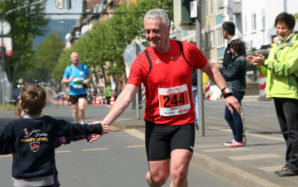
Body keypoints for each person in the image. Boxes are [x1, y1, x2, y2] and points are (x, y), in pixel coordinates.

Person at [90, 8, 240, 187]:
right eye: (147, 31)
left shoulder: (187, 50)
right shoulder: (142, 61)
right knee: (158, 178)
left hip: (183, 123)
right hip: (156, 126)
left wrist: (227, 93)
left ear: (168, 29)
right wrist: (103, 124)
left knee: (179, 171)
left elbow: (211, 69)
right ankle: (155, 178)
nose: (151, 35)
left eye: (156, 31)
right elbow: (127, 95)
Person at [0, 84, 111, 187]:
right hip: (47, 181)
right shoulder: (50, 124)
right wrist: (96, 128)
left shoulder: (13, 127)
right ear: (44, 104)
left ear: (21, 103)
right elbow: (73, 129)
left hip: (22, 182)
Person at [246, 12, 298, 177]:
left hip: (290, 92)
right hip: (276, 91)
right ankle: (291, 163)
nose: (280, 31)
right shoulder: (276, 44)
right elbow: (271, 70)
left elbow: (286, 68)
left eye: (283, 28)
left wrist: (266, 62)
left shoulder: (296, 46)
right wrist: (259, 64)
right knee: (285, 131)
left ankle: (295, 165)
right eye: (277, 27)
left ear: (291, 29)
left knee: (294, 131)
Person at [215, 39, 248, 147]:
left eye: (231, 48)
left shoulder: (240, 60)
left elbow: (230, 75)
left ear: (234, 48)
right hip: (233, 88)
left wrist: (219, 68)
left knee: (234, 114)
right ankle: (236, 137)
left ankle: (238, 139)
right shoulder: (237, 59)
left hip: (236, 89)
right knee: (228, 115)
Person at [61, 52, 91, 124]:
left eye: (76, 57)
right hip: (73, 92)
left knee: (82, 107)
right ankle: (77, 124)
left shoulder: (84, 67)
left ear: (79, 58)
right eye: (74, 57)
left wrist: (87, 80)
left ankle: (82, 123)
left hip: (82, 91)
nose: (75, 59)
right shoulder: (69, 69)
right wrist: (69, 80)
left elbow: (90, 76)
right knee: (75, 110)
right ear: (71, 59)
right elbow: (63, 81)